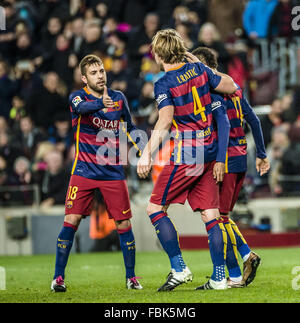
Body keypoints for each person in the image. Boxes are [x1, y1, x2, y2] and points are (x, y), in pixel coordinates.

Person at [137, 29, 237, 291]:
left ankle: (179, 268)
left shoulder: (164, 83)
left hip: (188, 152)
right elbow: (231, 85)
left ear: (159, 54)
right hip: (210, 149)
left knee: (155, 209)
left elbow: (165, 120)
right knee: (211, 214)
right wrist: (196, 62)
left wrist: (146, 153)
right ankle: (218, 278)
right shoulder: (201, 70)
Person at [51, 54, 144, 292]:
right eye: (94, 73)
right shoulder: (77, 97)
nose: (100, 75)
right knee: (70, 220)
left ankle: (131, 278)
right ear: (84, 78)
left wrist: (144, 150)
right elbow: (82, 108)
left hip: (113, 173)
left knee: (123, 223)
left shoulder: (119, 98)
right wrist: (102, 103)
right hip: (83, 171)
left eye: (101, 71)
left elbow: (130, 128)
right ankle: (58, 278)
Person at [192, 46, 270, 287]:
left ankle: (244, 260)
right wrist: (261, 154)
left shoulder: (213, 92)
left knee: (218, 219)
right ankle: (238, 269)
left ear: (205, 66)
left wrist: (219, 160)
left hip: (225, 161)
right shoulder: (235, 89)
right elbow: (254, 120)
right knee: (224, 216)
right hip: (242, 157)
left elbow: (222, 126)